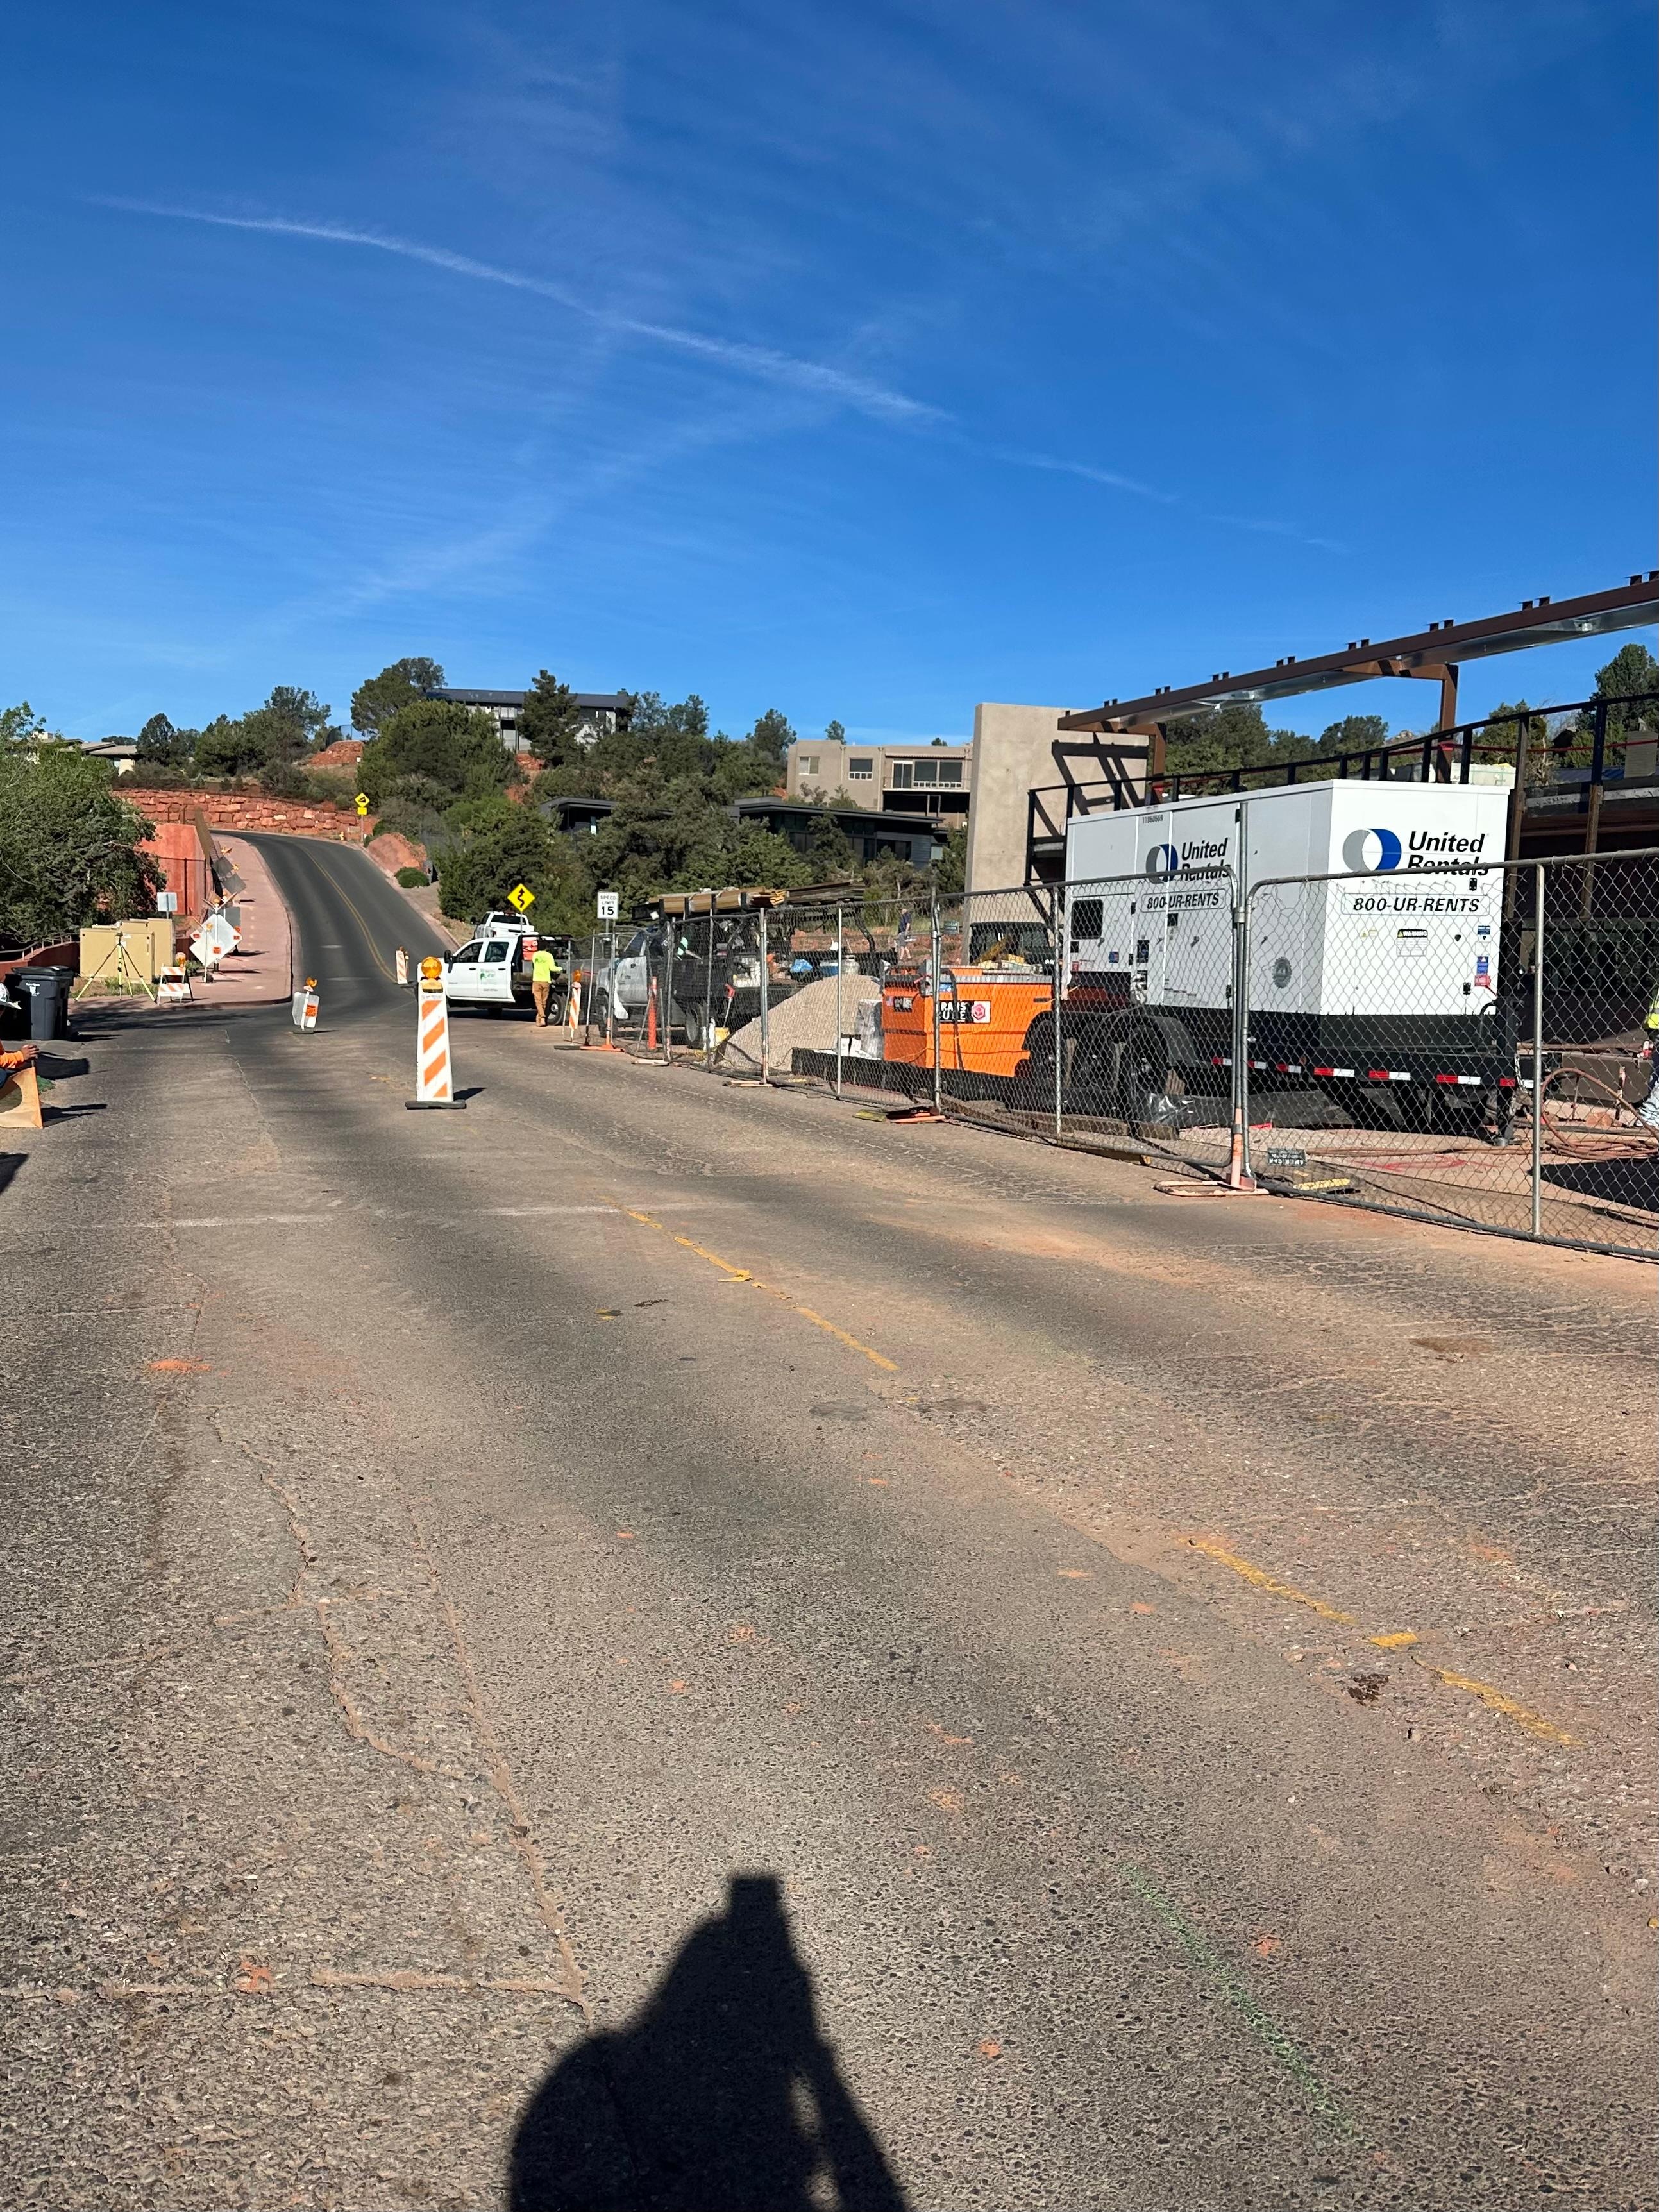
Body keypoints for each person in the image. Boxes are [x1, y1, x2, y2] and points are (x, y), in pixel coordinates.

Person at [530, 942, 562, 1027]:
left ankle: (542, 1017)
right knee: (544, 1002)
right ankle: (540, 1019)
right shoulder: (549, 956)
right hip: (546, 981)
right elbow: (552, 968)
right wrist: (561, 968)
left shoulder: (535, 955)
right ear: (546, 948)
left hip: (537, 980)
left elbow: (533, 965)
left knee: (538, 1001)